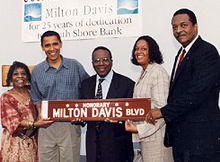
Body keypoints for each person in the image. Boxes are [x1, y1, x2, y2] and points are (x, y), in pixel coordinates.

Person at [146, 8, 220, 162]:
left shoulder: (207, 52)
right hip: (183, 139)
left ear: (195, 26)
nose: (178, 30)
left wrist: (162, 112)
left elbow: (197, 93)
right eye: (174, 27)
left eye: (183, 25)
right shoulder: (181, 53)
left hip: (201, 139)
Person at [31, 31, 89, 162]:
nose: (52, 49)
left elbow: (88, 90)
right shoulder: (37, 71)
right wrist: (40, 113)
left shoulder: (74, 66)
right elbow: (36, 97)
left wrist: (82, 113)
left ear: (61, 44)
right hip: (47, 126)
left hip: (70, 126)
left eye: (55, 44)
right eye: (47, 45)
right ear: (42, 47)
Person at [80, 46, 134, 162]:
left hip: (118, 148)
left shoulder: (127, 84)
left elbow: (133, 116)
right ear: (92, 63)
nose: (101, 64)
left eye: (105, 59)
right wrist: (79, 119)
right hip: (93, 148)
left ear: (111, 61)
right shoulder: (85, 85)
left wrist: (119, 119)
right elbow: (84, 113)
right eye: (97, 61)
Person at [125, 35, 173, 162]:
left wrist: (138, 129)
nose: (139, 52)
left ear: (152, 51)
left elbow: (162, 111)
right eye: (137, 48)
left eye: (144, 49)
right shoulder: (144, 73)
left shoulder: (157, 72)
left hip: (157, 140)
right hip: (147, 139)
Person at [0, 61, 53, 162]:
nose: (20, 76)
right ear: (11, 78)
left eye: (23, 73)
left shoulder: (32, 93)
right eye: (16, 74)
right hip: (15, 144)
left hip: (33, 142)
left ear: (27, 77)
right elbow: (14, 121)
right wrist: (35, 124)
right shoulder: (6, 97)